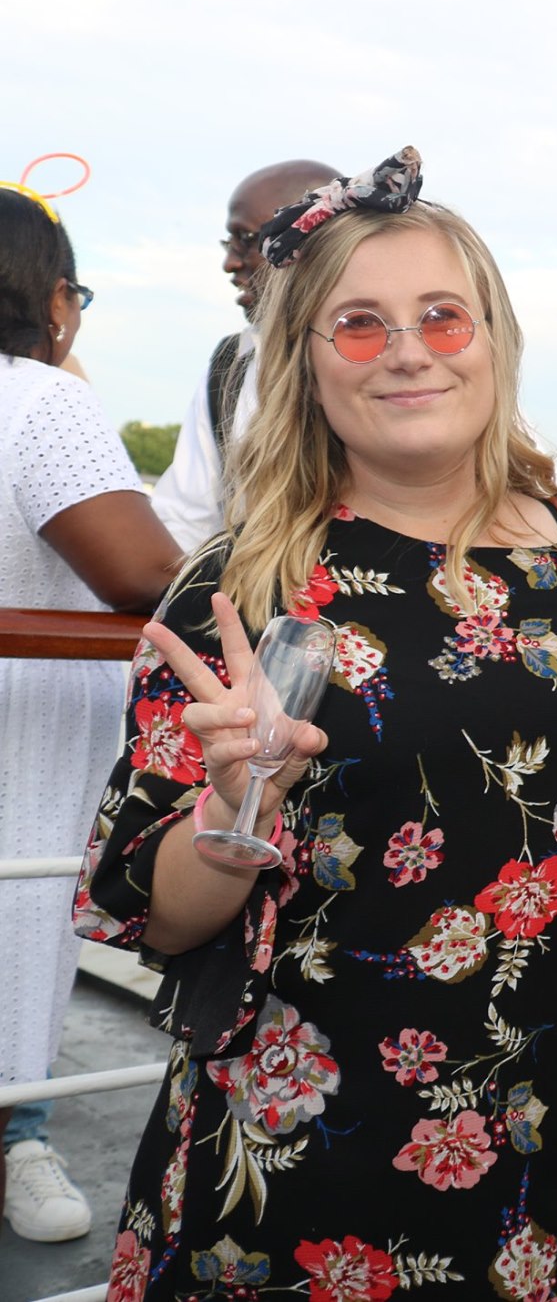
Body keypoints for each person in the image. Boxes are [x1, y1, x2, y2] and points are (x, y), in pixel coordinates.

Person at [74, 149, 557, 1300]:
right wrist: (239, 801)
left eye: (443, 316)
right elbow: (155, 911)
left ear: (493, 336)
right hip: (307, 1171)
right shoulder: (243, 589)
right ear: (305, 361)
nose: (408, 351)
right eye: (359, 324)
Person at [0, 183, 182, 1243]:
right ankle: (21, 1133)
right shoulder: (42, 397)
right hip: (23, 737)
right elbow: (141, 570)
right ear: (53, 296)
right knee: (19, 927)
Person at [152, 158, 338, 550]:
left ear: (315, 239)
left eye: (246, 240)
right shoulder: (233, 364)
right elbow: (185, 523)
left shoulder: (392, 357)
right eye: (229, 242)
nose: (230, 263)